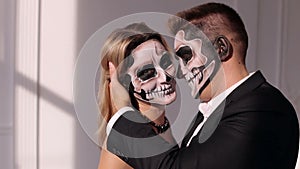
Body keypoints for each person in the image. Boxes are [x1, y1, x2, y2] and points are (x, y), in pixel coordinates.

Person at [106, 2, 299, 169]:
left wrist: (123, 111)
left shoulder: (262, 108)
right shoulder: (218, 111)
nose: (179, 72)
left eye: (186, 55)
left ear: (220, 48)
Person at [97, 22, 178, 169]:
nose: (164, 77)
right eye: (146, 72)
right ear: (122, 82)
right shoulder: (124, 142)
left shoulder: (161, 126)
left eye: (165, 62)